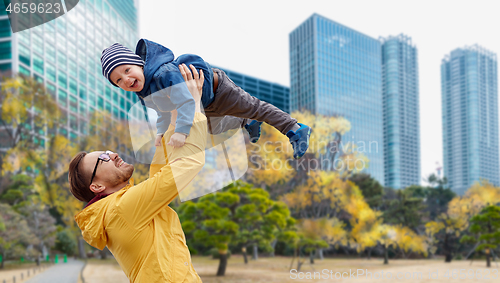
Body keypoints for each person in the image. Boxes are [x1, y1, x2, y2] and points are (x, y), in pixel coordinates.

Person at [69, 64, 205, 282]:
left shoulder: (120, 208)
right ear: (97, 187)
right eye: (102, 158)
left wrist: (174, 119)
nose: (112, 153)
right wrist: (194, 107)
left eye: (106, 151)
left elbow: (161, 175)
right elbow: (187, 164)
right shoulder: (121, 209)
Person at [100, 39, 312, 159]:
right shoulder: (143, 91)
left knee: (256, 108)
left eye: (127, 70)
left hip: (220, 91)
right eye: (118, 80)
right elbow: (163, 111)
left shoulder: (163, 74)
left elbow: (185, 102)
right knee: (212, 129)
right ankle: (245, 121)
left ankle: (295, 128)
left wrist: (181, 133)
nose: (126, 79)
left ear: (139, 63)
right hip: (204, 105)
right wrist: (161, 132)